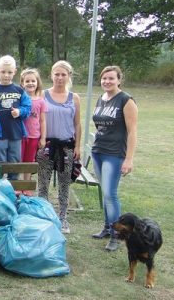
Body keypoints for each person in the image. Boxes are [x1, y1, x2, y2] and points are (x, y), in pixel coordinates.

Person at [89, 66, 139, 252]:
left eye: (111, 78)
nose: (107, 82)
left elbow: (133, 131)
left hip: (115, 153)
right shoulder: (101, 99)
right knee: (105, 192)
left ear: (119, 80)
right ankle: (106, 228)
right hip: (98, 151)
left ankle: (116, 236)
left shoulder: (126, 100)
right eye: (104, 79)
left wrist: (129, 159)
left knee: (111, 194)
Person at [37, 60, 82, 234]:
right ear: (51, 75)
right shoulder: (43, 95)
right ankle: (42, 216)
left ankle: (63, 217)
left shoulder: (74, 98)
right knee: (43, 184)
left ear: (69, 76)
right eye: (57, 74)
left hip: (66, 147)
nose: (60, 78)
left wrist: (78, 145)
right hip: (47, 146)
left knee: (64, 184)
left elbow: (77, 124)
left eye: (63, 74)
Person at [0, 55, 31, 180]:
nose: (6, 75)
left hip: (16, 132)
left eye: (9, 72)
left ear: (15, 72)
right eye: (3, 72)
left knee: (14, 161)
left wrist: (19, 111)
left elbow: (28, 107)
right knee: (0, 161)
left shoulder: (19, 90)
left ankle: (13, 188)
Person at [20, 68, 48, 195]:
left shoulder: (41, 101)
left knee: (29, 161)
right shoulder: (20, 99)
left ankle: (27, 187)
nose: (30, 83)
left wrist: (43, 138)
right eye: (27, 81)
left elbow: (42, 121)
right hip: (20, 135)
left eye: (33, 81)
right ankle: (18, 185)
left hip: (34, 136)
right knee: (19, 160)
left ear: (37, 83)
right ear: (22, 83)